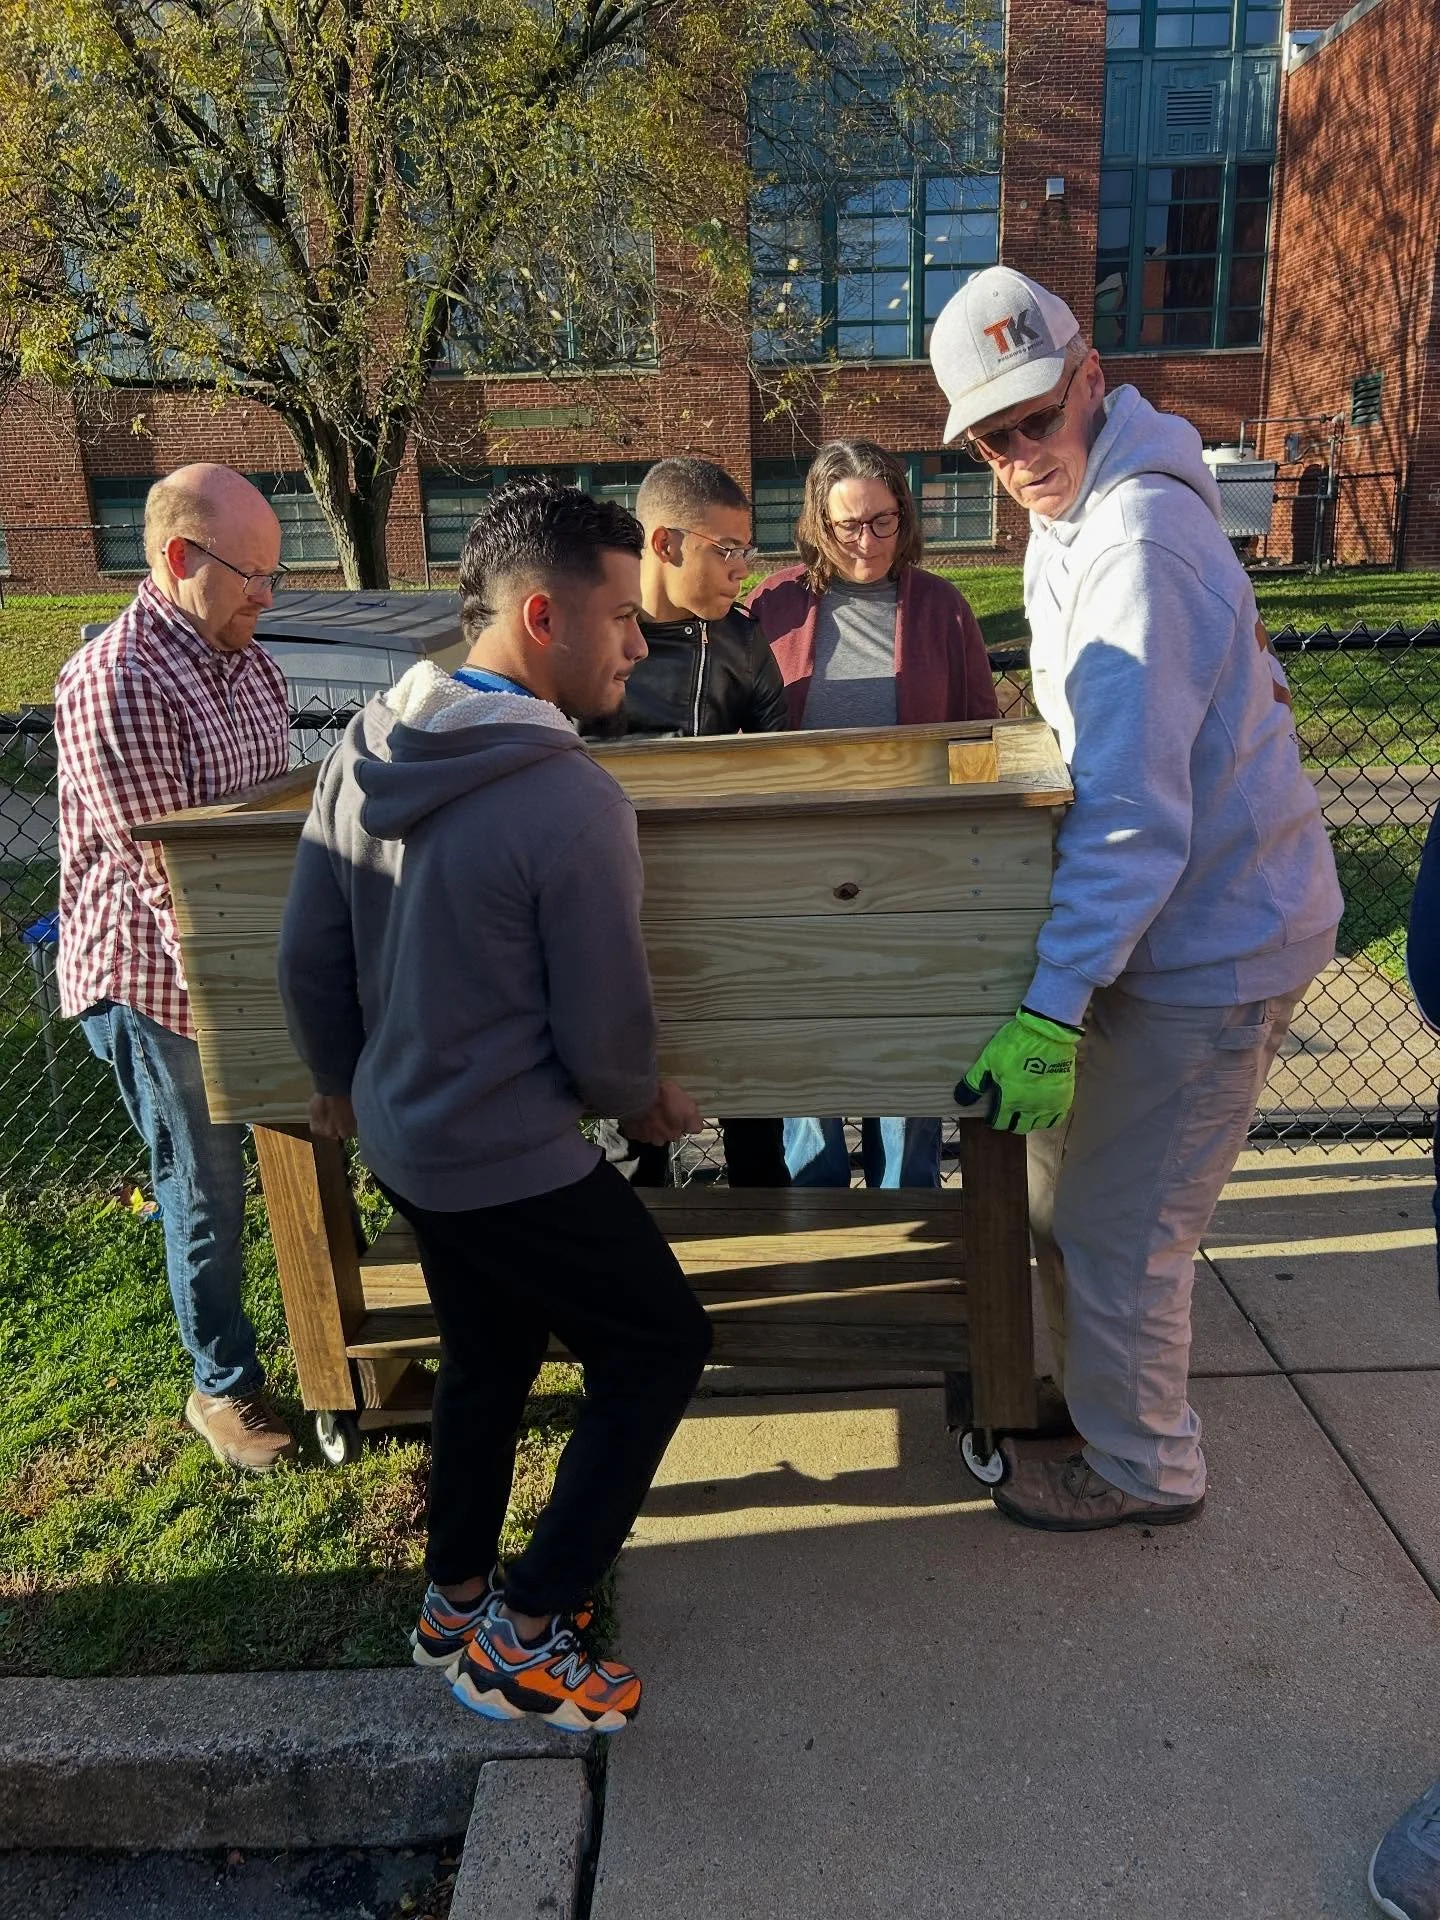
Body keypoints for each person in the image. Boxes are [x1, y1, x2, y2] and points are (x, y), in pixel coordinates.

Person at [277, 479, 712, 1735]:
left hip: (405, 1137)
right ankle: (525, 1634)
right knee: (658, 1345)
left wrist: (338, 1081)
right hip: (508, 1154)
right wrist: (643, 1107)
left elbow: (311, 949)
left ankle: (451, 1596)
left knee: (493, 1353)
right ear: (541, 617)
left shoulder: (366, 743)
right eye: (624, 618)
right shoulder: (570, 800)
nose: (641, 641)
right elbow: (604, 1028)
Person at [927, 265, 1342, 1528]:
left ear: (1088, 381)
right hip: (1166, 933)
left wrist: (1051, 1008)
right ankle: (1084, 1393)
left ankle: (1145, 1467)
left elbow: (1130, 821)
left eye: (1034, 419)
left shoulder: (1140, 540)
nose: (1017, 455)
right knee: (1064, 1203)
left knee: (1123, 1229)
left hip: (1210, 945)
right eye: (991, 438)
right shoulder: (1084, 515)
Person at [55, 464, 297, 1474]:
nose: (268, 595)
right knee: (204, 1184)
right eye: (253, 575)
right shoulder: (118, 682)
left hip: (250, 958)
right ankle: (221, 1386)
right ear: (178, 558)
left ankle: (328, 1335)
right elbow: (168, 885)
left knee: (295, 1155)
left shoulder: (251, 664)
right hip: (157, 980)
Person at [748, 438, 999, 1189]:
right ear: (817, 524)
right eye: (847, 526)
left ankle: (908, 1212)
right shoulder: (774, 607)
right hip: (799, 876)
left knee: (906, 1075)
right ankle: (821, 1229)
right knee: (809, 1065)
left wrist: (967, 843)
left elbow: (980, 738)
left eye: (882, 522)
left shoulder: (944, 611)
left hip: (912, 875)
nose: (866, 542)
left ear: (905, 515)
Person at [598, 456, 790, 1187]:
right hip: (614, 922)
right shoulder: (590, 641)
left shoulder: (743, 644)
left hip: (730, 922)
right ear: (665, 543)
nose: (742, 570)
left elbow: (786, 775)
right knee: (631, 1139)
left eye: (747, 551)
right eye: (727, 550)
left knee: (754, 1122)